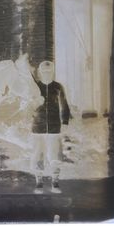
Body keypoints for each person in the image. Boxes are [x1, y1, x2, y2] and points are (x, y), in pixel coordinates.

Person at [31, 61, 71, 194]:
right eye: (44, 71)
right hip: (38, 127)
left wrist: (64, 122)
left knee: (55, 155)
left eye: (49, 71)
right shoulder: (35, 87)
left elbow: (64, 105)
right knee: (38, 154)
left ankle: (55, 181)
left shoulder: (58, 87)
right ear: (40, 72)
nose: (47, 74)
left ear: (52, 72)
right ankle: (39, 182)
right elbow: (28, 105)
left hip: (54, 128)